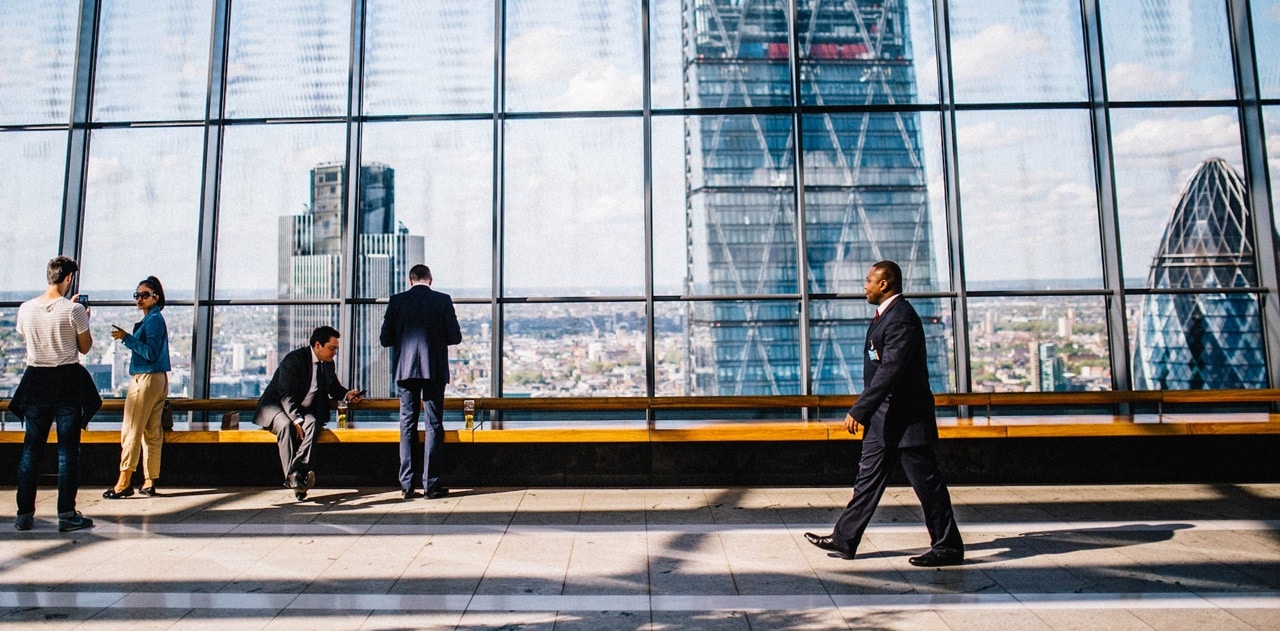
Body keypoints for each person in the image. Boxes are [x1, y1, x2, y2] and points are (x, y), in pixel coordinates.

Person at [804, 260, 964, 567]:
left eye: (868, 281)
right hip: (884, 420)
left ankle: (948, 547)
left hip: (905, 420)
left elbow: (890, 371)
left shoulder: (901, 318)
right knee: (867, 480)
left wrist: (860, 409)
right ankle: (844, 538)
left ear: (885, 284)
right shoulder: (886, 316)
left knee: (927, 485)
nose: (864, 286)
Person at [11, 256, 99, 532]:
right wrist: (83, 317)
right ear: (70, 278)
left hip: (35, 381)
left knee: (31, 450)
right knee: (67, 452)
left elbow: (28, 340)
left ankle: (24, 514)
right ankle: (66, 513)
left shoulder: (25, 309)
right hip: (66, 383)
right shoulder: (73, 311)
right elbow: (84, 348)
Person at [252, 326, 363, 500]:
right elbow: (285, 395)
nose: (334, 353)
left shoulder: (328, 364)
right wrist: (297, 420)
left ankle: (296, 474)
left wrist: (347, 394)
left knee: (313, 424)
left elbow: (334, 387)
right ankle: (297, 479)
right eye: (332, 348)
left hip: (302, 409)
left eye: (336, 349)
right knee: (286, 426)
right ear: (318, 345)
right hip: (275, 406)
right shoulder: (294, 360)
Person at [380, 264, 462, 500]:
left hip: (405, 370)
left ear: (410, 280)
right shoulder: (443, 300)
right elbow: (455, 337)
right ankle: (431, 485)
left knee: (406, 424)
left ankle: (406, 485)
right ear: (431, 280)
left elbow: (385, 339)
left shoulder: (397, 301)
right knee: (433, 425)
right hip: (433, 369)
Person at [104, 276, 171, 499]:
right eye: (137, 295)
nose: (139, 299)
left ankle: (124, 482)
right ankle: (150, 479)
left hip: (145, 379)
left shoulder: (153, 321)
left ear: (156, 297)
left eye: (144, 295)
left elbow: (150, 352)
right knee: (152, 432)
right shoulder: (155, 319)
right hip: (158, 380)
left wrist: (126, 338)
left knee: (132, 430)